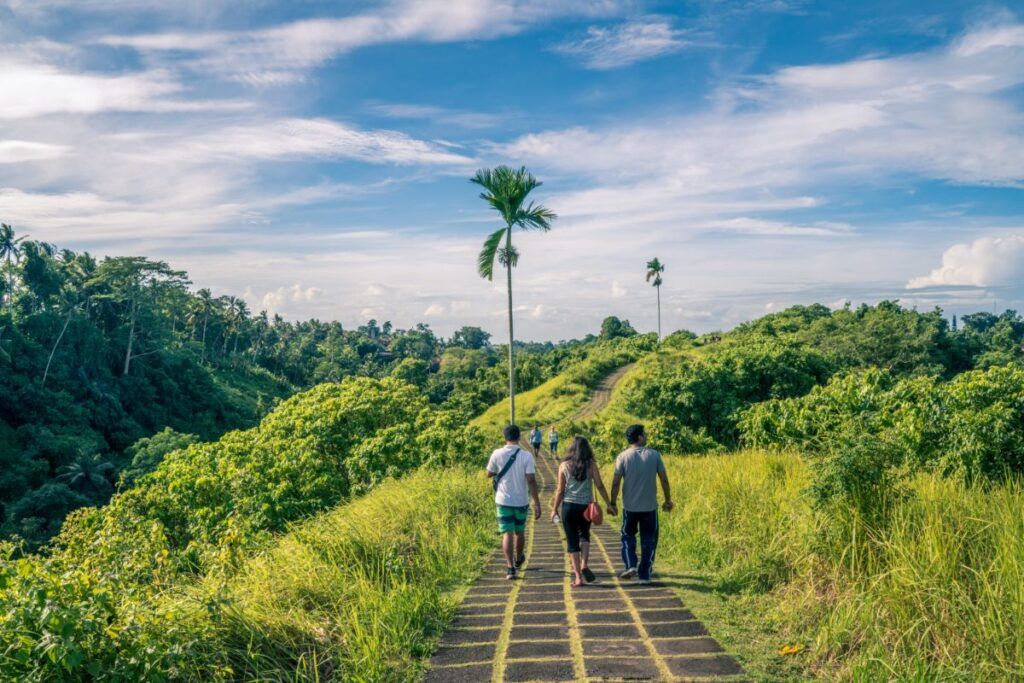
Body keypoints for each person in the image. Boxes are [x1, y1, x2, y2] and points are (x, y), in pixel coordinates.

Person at [609, 424, 673, 584]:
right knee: (649, 540)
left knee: (627, 536)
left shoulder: (622, 457)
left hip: (629, 507)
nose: (646, 436)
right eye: (644, 434)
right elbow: (664, 479)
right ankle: (644, 574)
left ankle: (630, 564)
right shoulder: (654, 455)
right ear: (639, 437)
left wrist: (612, 502)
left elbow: (616, 482)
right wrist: (667, 499)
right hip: (649, 507)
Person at [550, 436, 614, 587]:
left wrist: (554, 509)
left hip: (569, 508)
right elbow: (599, 485)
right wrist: (609, 504)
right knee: (584, 536)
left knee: (572, 542)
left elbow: (560, 490)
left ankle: (578, 577)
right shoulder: (590, 464)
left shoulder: (564, 466)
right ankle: (584, 563)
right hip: (586, 508)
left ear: (571, 449)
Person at [486, 424, 541, 580]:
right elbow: (531, 480)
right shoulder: (527, 456)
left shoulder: (497, 454)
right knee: (520, 532)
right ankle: (518, 559)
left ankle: (510, 568)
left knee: (507, 533)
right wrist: (537, 503)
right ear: (519, 437)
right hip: (521, 501)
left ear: (505, 438)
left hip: (503, 501)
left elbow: (489, 473)